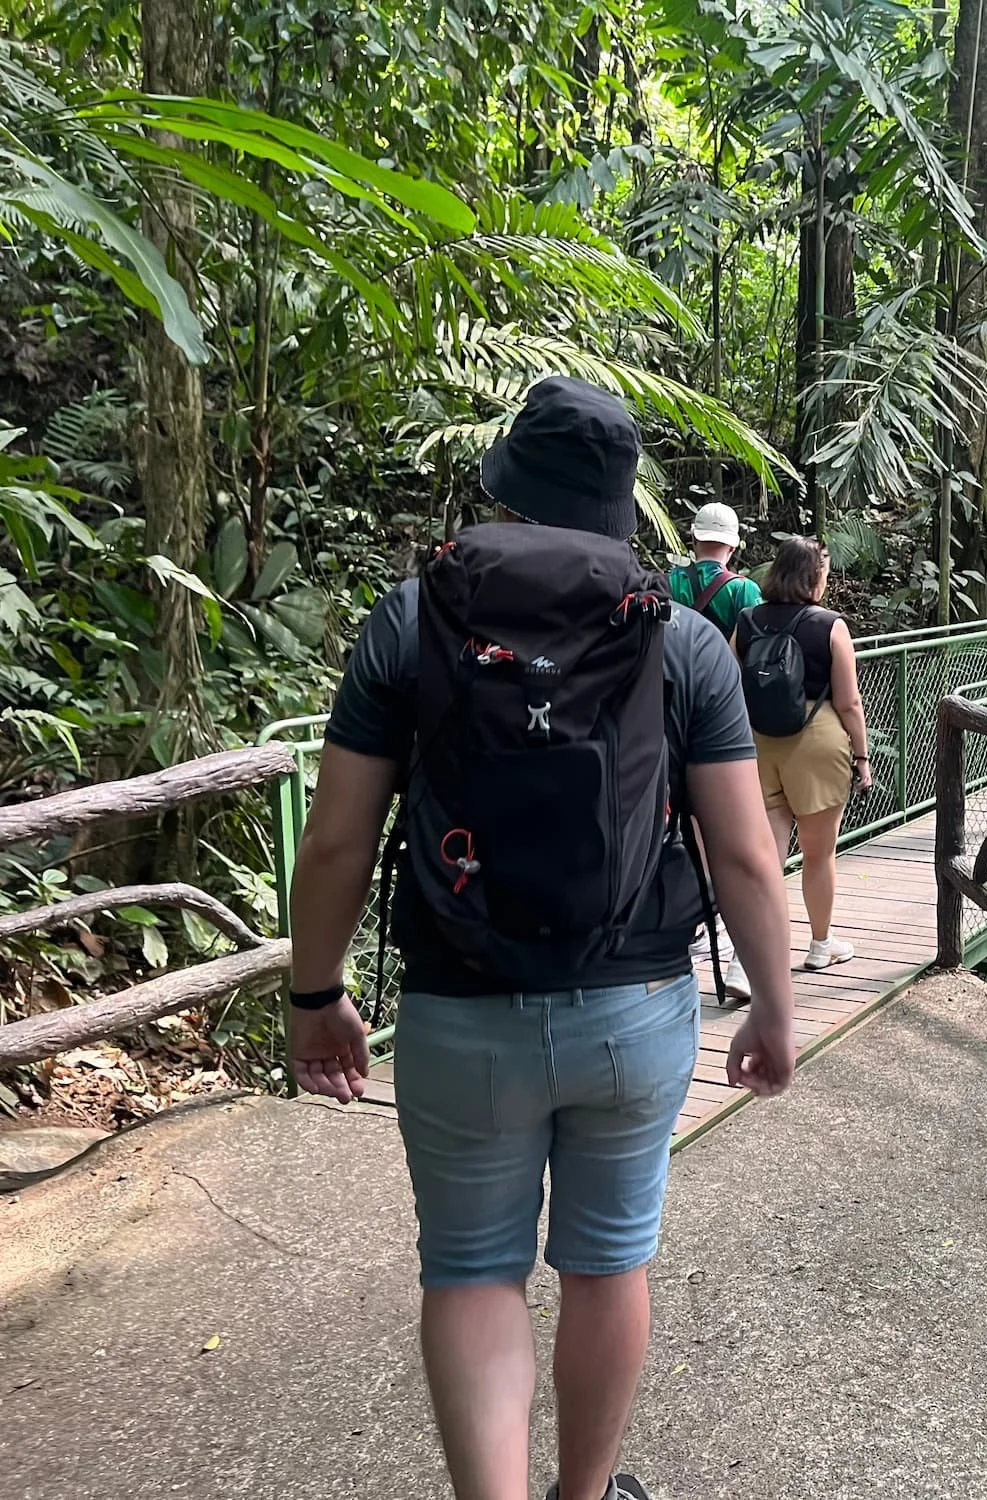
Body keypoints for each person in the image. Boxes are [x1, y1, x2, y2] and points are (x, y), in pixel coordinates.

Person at [284, 375, 797, 1500]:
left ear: (506, 484)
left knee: (473, 1272)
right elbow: (749, 855)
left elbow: (332, 845)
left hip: (459, 1011)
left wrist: (313, 997)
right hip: (636, 1006)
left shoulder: (412, 617)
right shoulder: (682, 638)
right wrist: (771, 1004)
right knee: (608, 1262)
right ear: (626, 507)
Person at [735, 536, 874, 971]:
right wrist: (863, 757)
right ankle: (820, 945)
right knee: (818, 855)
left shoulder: (747, 619)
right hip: (817, 741)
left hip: (759, 744)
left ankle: (747, 960)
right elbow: (849, 702)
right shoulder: (830, 625)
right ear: (814, 577)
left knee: (766, 857)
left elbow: (724, 681)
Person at [668, 502, 762, 999]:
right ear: (733, 543)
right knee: (728, 826)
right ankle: (726, 931)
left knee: (679, 821)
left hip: (669, 717)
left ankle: (689, 916)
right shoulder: (744, 590)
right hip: (725, 720)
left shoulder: (668, 582)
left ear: (695, 537)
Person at [669, 501, 762, 639]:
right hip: (725, 661)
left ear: (694, 539)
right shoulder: (744, 589)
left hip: (675, 660)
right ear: (733, 548)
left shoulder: (671, 580)